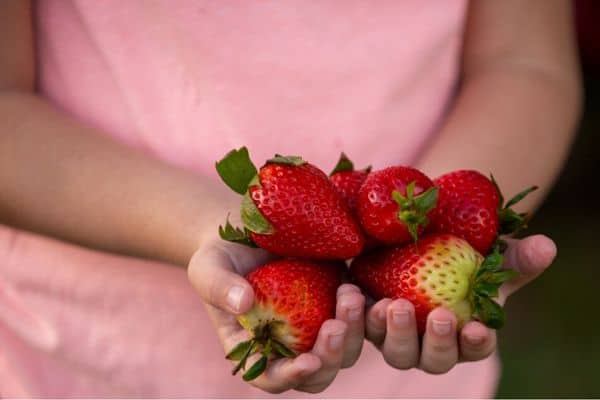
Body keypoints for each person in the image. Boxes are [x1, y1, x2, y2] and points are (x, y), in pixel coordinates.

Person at [0, 0, 580, 397]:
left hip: (404, 366)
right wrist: (212, 224)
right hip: (87, 358)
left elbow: (523, 62)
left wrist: (434, 233)